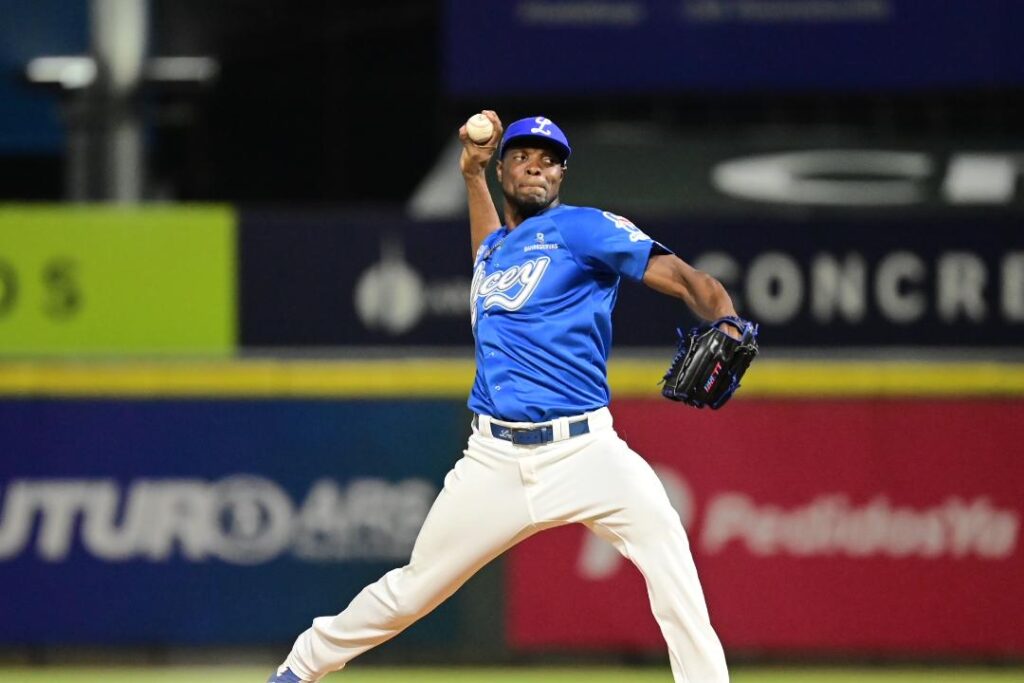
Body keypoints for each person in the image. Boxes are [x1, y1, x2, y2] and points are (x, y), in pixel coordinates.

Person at [269, 112, 737, 683]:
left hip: (586, 451)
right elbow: (488, 250)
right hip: (493, 460)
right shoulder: (494, 255)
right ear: (504, 170)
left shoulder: (583, 229)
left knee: (672, 567)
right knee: (411, 591)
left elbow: (688, 279)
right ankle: (297, 670)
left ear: (561, 175)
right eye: (523, 156)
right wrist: (471, 173)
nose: (537, 166)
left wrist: (727, 318)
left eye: (550, 159)